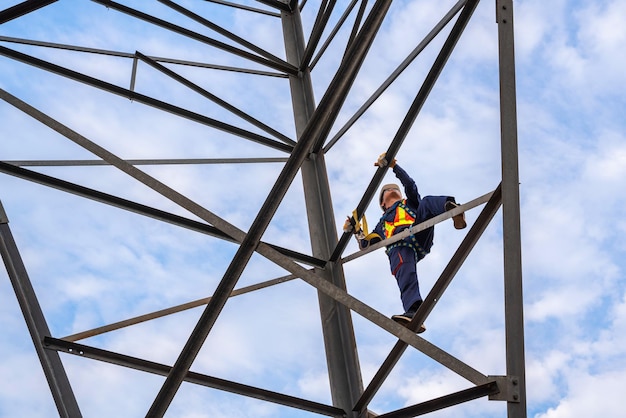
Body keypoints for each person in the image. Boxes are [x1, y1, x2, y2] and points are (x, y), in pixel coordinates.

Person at [345, 153, 466, 332]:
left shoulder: (410, 204)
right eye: (386, 191)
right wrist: (356, 230)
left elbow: (410, 185)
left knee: (426, 202)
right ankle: (414, 312)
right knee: (405, 275)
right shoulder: (382, 223)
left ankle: (452, 209)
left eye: (394, 190)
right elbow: (367, 245)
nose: (391, 190)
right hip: (400, 247)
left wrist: (394, 167)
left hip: (418, 234)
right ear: (383, 204)